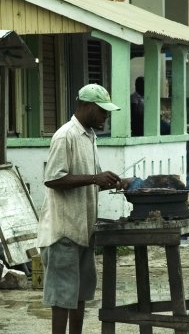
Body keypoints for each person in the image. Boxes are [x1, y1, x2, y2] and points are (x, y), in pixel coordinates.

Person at [36, 83, 133, 334]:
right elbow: (52, 179)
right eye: (102, 111)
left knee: (79, 294)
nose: (106, 117)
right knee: (61, 297)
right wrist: (93, 178)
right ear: (88, 106)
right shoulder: (65, 136)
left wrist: (114, 182)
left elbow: (89, 180)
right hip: (62, 231)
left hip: (82, 230)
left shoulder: (90, 137)